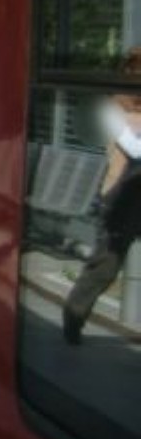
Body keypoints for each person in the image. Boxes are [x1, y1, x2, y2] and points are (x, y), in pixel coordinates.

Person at [63, 48, 141, 344]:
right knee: (106, 267)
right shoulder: (112, 109)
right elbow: (134, 149)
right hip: (121, 195)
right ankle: (74, 312)